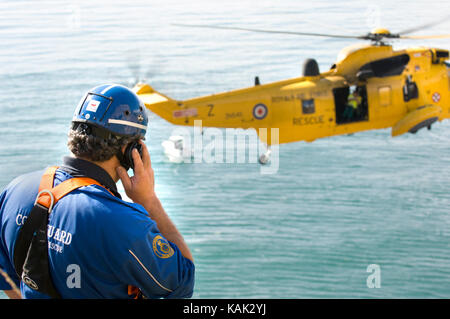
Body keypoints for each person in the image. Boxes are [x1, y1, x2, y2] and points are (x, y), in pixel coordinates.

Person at [0, 84, 195, 299]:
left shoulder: (15, 191)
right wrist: (149, 201)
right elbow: (181, 282)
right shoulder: (122, 222)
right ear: (131, 151)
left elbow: (5, 276)